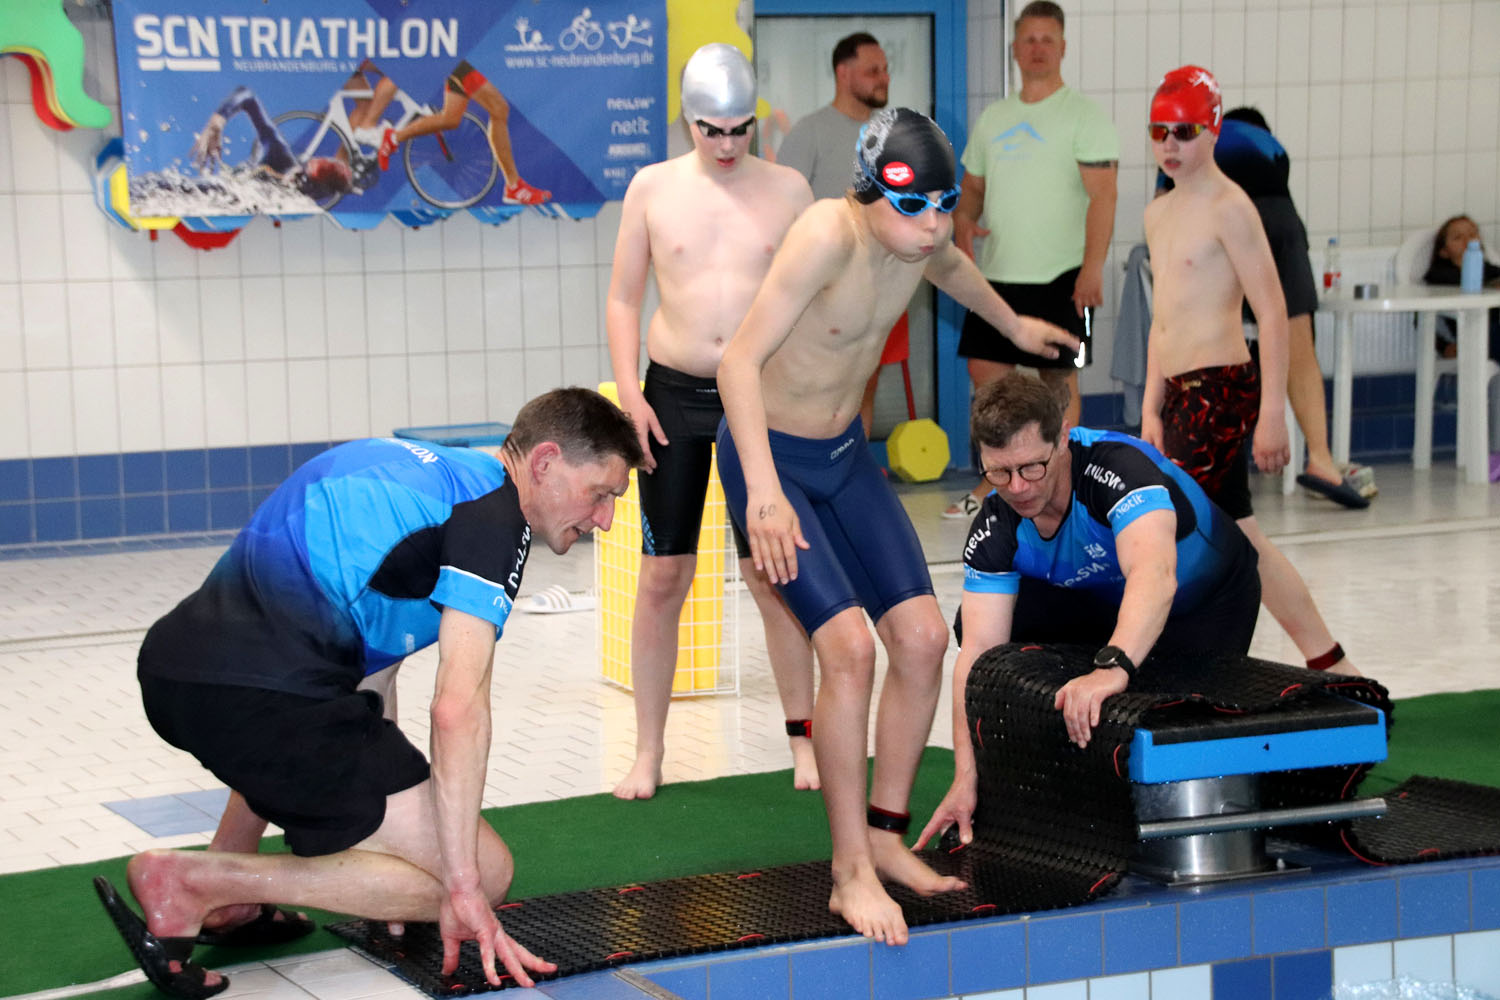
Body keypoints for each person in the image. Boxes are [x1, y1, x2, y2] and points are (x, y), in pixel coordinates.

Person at [94, 388, 643, 998]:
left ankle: (229, 893)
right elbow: (458, 710)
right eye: (600, 494)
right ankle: (197, 883)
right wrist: (461, 884)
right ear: (544, 462)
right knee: (488, 874)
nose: (604, 519)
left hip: (178, 672)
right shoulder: (493, 520)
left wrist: (398, 832)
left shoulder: (422, 469)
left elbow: (368, 681)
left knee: (308, 704)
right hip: (264, 704)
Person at [715, 107, 1078, 945]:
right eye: (915, 208)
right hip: (772, 460)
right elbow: (737, 362)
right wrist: (762, 493)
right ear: (869, 192)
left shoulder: (917, 241)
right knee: (847, 649)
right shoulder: (826, 237)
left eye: (945, 207)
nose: (934, 227)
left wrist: (1015, 328)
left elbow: (955, 269)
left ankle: (884, 837)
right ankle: (849, 872)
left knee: (920, 640)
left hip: (844, 456)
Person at [914, 373, 1262, 845]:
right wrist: (965, 775)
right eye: (998, 472)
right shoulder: (997, 522)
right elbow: (976, 653)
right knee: (984, 635)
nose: (1017, 487)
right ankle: (1038, 767)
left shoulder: (1117, 469)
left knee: (1175, 721)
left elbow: (1156, 576)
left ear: (1062, 438)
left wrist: (1111, 668)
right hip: (1106, 600)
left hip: (1206, 601)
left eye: (1031, 467)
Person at [605, 44, 819, 798]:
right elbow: (624, 297)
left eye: (739, 129)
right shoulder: (652, 188)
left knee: (772, 575)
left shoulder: (790, 190)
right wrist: (630, 394)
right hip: (672, 396)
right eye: (710, 130)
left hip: (759, 395)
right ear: (686, 120)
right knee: (663, 574)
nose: (727, 146)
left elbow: (818, 297)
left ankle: (804, 742)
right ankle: (648, 751)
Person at [1141, 65, 1358, 676]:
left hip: (1219, 386)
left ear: (1213, 130)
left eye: (1184, 131)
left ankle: (1315, 659)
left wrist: (1272, 416)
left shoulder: (1231, 207)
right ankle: (1320, 658)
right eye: (1158, 132)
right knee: (1223, 532)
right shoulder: (1158, 212)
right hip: (1178, 392)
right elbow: (1163, 318)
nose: (1169, 145)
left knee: (1205, 530)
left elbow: (1273, 310)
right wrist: (1151, 406)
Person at [944, 1, 1119, 519]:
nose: (1038, 48)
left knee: (1059, 384)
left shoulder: (1085, 116)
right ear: (1014, 49)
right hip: (998, 275)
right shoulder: (994, 118)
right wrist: (964, 219)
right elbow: (972, 189)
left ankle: (1066, 483)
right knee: (986, 378)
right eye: (1029, 39)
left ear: (1062, 48)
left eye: (1047, 39)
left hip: (1064, 274)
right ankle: (996, 483)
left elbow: (1104, 197)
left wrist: (1092, 268)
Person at [1156, 106, 1368, 509]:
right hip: (1281, 221)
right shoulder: (1270, 147)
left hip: (1226, 219)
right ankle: (1322, 459)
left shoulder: (1185, 142)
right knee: (1297, 338)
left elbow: (1168, 207)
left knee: (1206, 326)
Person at [778, 32, 897, 439]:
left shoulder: (894, 136)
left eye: (885, 70)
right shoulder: (809, 133)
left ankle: (852, 464)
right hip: (823, 291)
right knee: (821, 389)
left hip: (881, 283)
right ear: (843, 73)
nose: (884, 78)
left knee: (865, 385)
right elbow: (783, 212)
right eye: (873, 70)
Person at [376, 60, 550, 205]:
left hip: (456, 58)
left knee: (451, 119)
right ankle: (514, 186)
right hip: (458, 61)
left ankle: (393, 137)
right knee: (499, 108)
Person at [191, 86, 354, 202]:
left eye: (307, 186)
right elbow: (247, 96)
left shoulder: (292, 203)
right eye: (301, 174)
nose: (295, 182)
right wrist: (217, 121)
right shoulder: (278, 155)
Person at [1424, 214, 1500, 359]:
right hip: (1475, 335)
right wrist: (1443, 346)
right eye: (1458, 237)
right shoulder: (1439, 278)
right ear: (1444, 252)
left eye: (1472, 234)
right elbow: (1421, 318)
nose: (1468, 240)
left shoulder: (1488, 270)